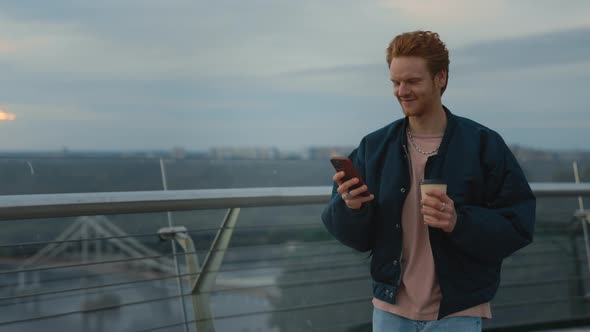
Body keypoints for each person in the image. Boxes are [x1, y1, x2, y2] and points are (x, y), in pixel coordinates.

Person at [321, 31, 536, 331]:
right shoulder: (374, 147)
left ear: (441, 78)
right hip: (390, 309)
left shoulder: (483, 145)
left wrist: (458, 221)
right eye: (395, 82)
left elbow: (519, 225)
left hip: (457, 311)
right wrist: (351, 208)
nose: (401, 91)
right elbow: (354, 237)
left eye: (412, 81)